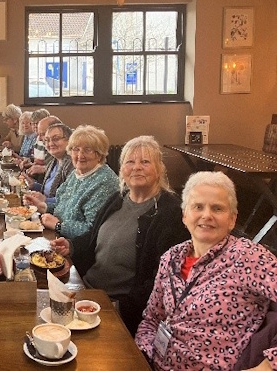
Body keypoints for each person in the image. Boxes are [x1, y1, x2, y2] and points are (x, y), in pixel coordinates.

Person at [135, 171, 277, 370]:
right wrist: (140, 355)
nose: (207, 215)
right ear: (185, 216)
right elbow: (151, 318)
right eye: (198, 207)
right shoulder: (171, 258)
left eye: (217, 208)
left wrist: (269, 365)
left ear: (232, 219)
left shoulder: (248, 257)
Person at [51, 136, 189, 335]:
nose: (136, 167)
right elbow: (93, 237)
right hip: (87, 290)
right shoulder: (118, 198)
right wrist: (72, 246)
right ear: (122, 169)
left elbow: (161, 281)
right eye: (130, 162)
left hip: (119, 307)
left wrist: (119, 309)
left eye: (145, 162)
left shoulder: (170, 213)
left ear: (159, 169)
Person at [28, 124, 118, 239]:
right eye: (76, 149)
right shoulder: (77, 174)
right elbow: (63, 205)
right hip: (60, 238)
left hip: (77, 249)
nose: (80, 155)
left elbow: (92, 229)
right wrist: (43, 206)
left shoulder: (104, 182)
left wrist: (58, 225)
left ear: (100, 154)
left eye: (88, 150)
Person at [23, 122, 73, 206]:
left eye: (56, 139)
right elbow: (47, 190)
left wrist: (46, 200)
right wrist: (33, 185)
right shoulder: (54, 161)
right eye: (47, 140)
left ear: (69, 140)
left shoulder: (72, 164)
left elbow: (69, 200)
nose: (50, 143)